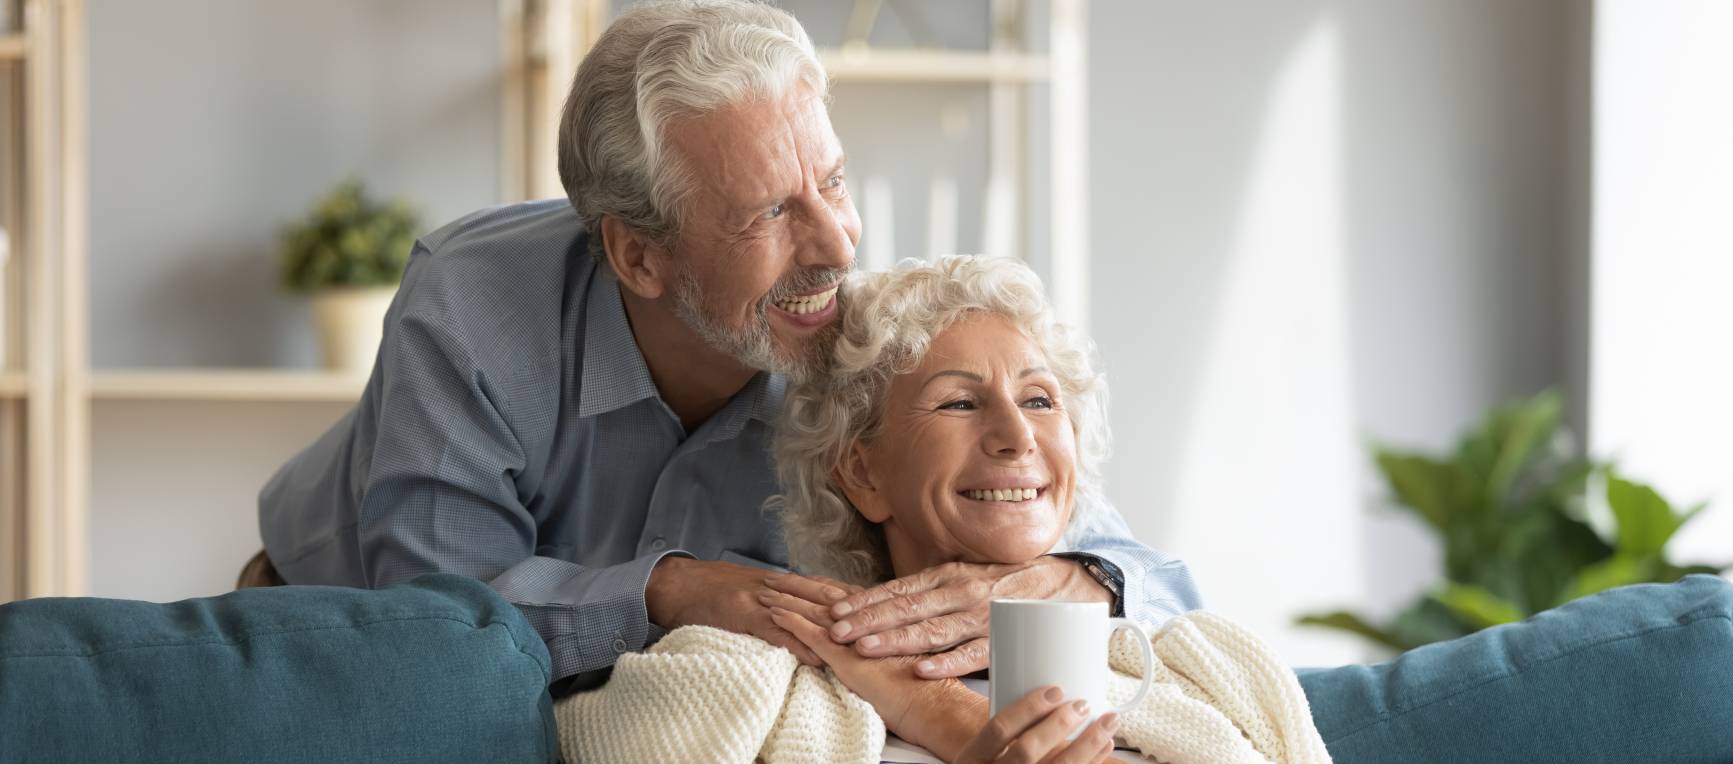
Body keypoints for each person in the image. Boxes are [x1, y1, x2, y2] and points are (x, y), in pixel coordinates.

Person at [255, 0, 1199, 690]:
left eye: (833, 183)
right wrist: (667, 592)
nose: (837, 247)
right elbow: (440, 618)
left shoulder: (851, 330)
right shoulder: (469, 309)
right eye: (770, 214)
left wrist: (1068, 583)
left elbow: (1146, 570)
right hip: (332, 623)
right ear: (639, 255)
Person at [755, 255, 1248, 764]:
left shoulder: (1181, 679)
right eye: (960, 403)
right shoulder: (784, 718)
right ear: (861, 473)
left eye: (1038, 400)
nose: (1018, 436)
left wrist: (940, 711)